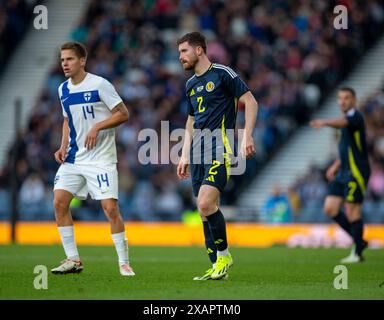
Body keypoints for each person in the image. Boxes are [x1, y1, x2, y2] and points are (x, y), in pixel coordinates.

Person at [176, 32, 258, 280]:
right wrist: (184, 154)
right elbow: (191, 120)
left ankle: (224, 256)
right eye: (179, 52)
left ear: (199, 50)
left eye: (184, 51)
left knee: (205, 204)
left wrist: (247, 135)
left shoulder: (223, 73)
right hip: (198, 153)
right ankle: (217, 267)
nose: (180, 57)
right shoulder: (190, 85)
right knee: (204, 211)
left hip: (219, 149)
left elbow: (250, 101)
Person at [51, 41, 135, 276]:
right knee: (59, 203)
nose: (65, 64)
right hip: (74, 158)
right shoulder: (63, 90)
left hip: (101, 159)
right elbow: (67, 120)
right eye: (62, 60)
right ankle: (73, 259)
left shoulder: (99, 84)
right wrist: (62, 144)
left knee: (110, 208)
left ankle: (124, 262)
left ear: (82, 61)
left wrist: (98, 126)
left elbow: (123, 114)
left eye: (69, 59)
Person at [310, 87, 371, 263]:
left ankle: (357, 252)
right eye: (340, 98)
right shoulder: (346, 121)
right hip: (343, 171)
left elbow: (343, 123)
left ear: (354, 100)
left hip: (356, 172)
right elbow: (347, 148)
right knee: (330, 208)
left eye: (346, 98)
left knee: (352, 209)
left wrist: (324, 122)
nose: (342, 101)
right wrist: (335, 165)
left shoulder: (355, 117)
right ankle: (360, 241)